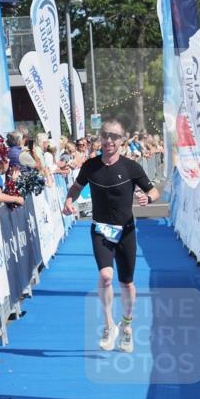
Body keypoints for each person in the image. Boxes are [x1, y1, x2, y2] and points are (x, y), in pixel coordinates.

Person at [62, 119, 159, 352]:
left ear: (122, 140)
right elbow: (76, 187)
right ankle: (108, 325)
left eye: (114, 137)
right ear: (101, 138)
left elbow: (153, 191)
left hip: (126, 231)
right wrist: (68, 200)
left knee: (126, 282)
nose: (109, 141)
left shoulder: (131, 167)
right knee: (106, 276)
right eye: (106, 135)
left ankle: (127, 324)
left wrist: (148, 198)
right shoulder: (90, 166)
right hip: (100, 229)